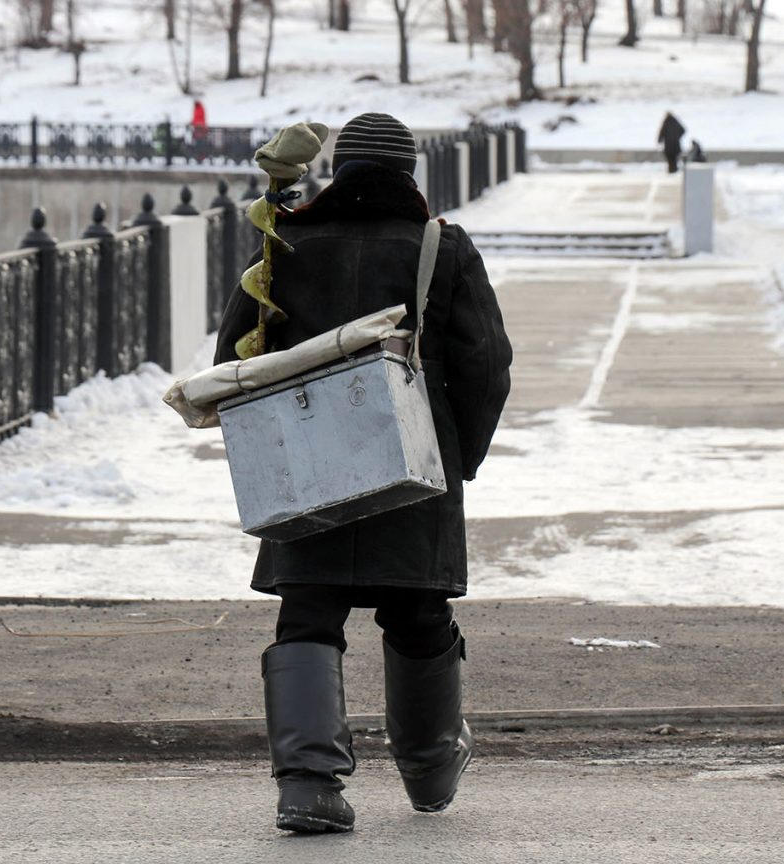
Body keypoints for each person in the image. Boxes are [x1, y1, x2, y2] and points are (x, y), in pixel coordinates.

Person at [213, 112, 513, 834]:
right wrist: (457, 459)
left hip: (308, 466)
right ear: (409, 173)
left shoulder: (281, 245)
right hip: (413, 465)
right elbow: (487, 365)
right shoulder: (440, 248)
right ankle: (431, 765)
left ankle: (309, 785)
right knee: (417, 614)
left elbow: (234, 360)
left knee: (308, 614)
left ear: (338, 171)